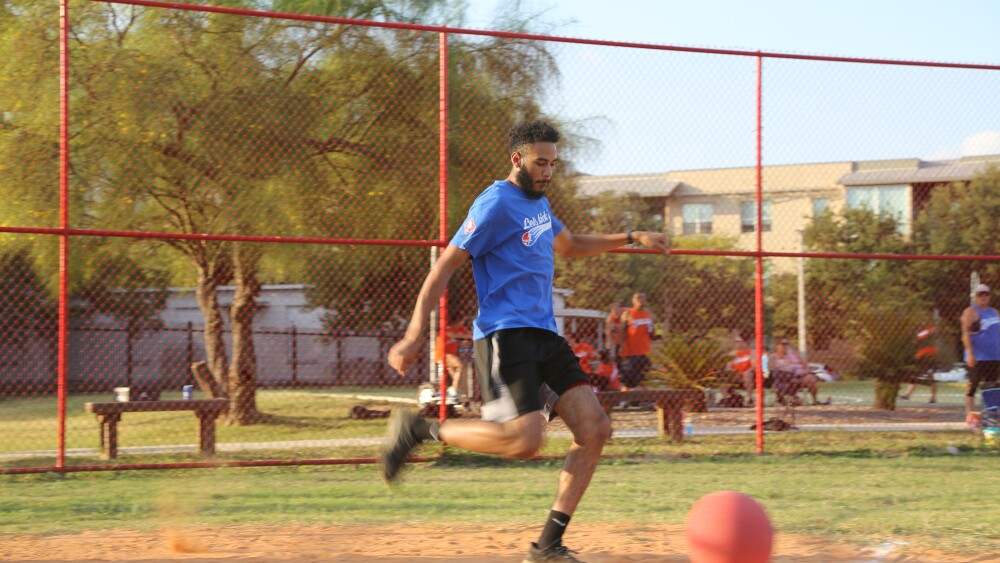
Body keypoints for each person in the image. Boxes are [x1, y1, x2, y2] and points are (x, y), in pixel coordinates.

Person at [383, 119, 670, 563]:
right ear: (517, 159)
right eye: (540, 162)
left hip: (544, 335)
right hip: (506, 336)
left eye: (553, 163)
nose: (548, 171)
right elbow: (443, 267)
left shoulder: (538, 202)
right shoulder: (495, 203)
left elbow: (570, 245)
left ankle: (548, 545)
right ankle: (420, 429)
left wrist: (632, 236)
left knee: (594, 429)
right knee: (524, 443)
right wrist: (413, 334)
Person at [961, 283, 1000, 425]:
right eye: (980, 294)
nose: (983, 297)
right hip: (978, 356)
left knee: (992, 385)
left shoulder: (994, 312)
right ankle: (970, 416)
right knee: (973, 385)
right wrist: (970, 354)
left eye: (986, 294)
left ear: (990, 296)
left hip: (994, 355)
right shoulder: (971, 312)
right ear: (975, 297)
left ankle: (991, 414)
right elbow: (965, 334)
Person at [768, 337, 821, 405]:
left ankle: (815, 400)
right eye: (783, 344)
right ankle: (786, 398)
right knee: (782, 376)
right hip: (784, 378)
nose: (785, 346)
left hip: (799, 377)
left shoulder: (794, 355)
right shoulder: (774, 357)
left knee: (810, 378)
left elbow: (805, 365)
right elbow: (771, 369)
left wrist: (805, 371)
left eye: (787, 344)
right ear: (777, 345)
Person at [619, 293, 655, 391]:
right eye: (638, 299)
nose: (641, 301)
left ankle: (645, 399)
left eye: (643, 298)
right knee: (628, 380)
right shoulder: (628, 313)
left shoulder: (648, 314)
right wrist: (622, 345)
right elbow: (622, 330)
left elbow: (652, 332)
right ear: (633, 301)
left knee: (645, 378)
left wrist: (652, 330)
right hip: (631, 352)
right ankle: (624, 399)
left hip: (645, 351)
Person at [899, 325, 939, 404]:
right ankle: (908, 395)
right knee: (919, 375)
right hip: (925, 355)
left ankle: (933, 397)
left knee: (927, 376)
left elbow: (919, 337)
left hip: (927, 356)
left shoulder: (926, 332)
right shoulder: (926, 333)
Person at [434, 321, 472, 401]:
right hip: (442, 354)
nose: (462, 323)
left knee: (455, 373)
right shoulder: (446, 327)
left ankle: (454, 391)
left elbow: (469, 333)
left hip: (451, 355)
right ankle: (450, 390)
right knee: (459, 366)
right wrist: (467, 336)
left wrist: (470, 333)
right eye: (461, 321)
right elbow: (453, 335)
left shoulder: (460, 328)